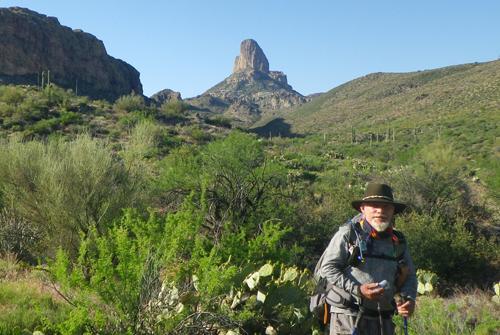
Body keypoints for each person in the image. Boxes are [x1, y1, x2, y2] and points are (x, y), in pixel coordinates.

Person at [319, 182, 417, 335]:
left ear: (393, 211)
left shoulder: (398, 241)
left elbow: (410, 275)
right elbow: (327, 269)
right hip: (348, 316)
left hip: (384, 319)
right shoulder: (348, 234)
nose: (380, 211)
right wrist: (358, 289)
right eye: (374, 206)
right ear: (362, 209)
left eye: (386, 207)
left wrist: (409, 299)